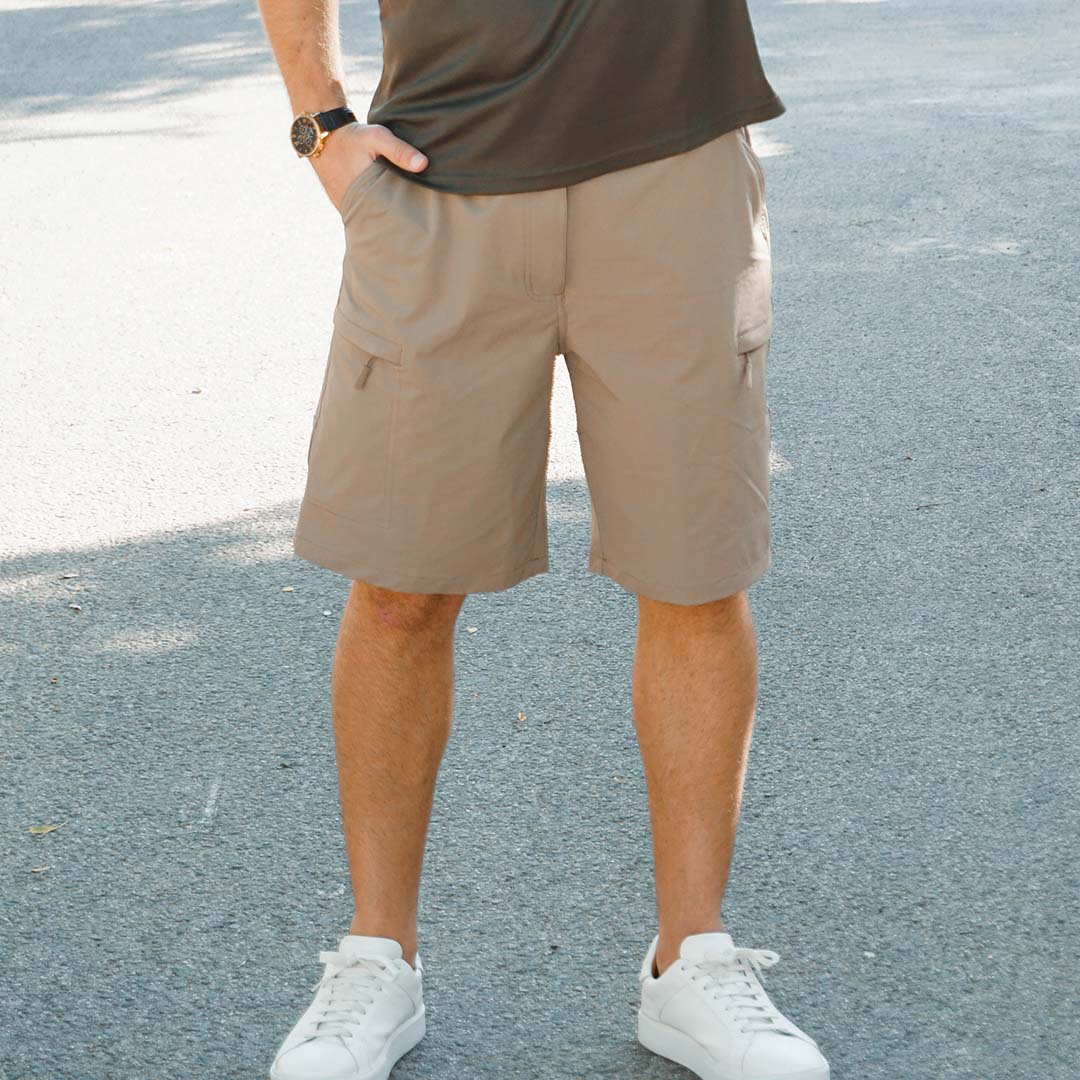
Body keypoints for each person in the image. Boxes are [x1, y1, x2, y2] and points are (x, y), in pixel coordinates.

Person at [256, 2, 829, 1078]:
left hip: (676, 165)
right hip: (439, 175)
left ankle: (691, 961)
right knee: (401, 589)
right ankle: (377, 961)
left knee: (696, 575)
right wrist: (320, 124)